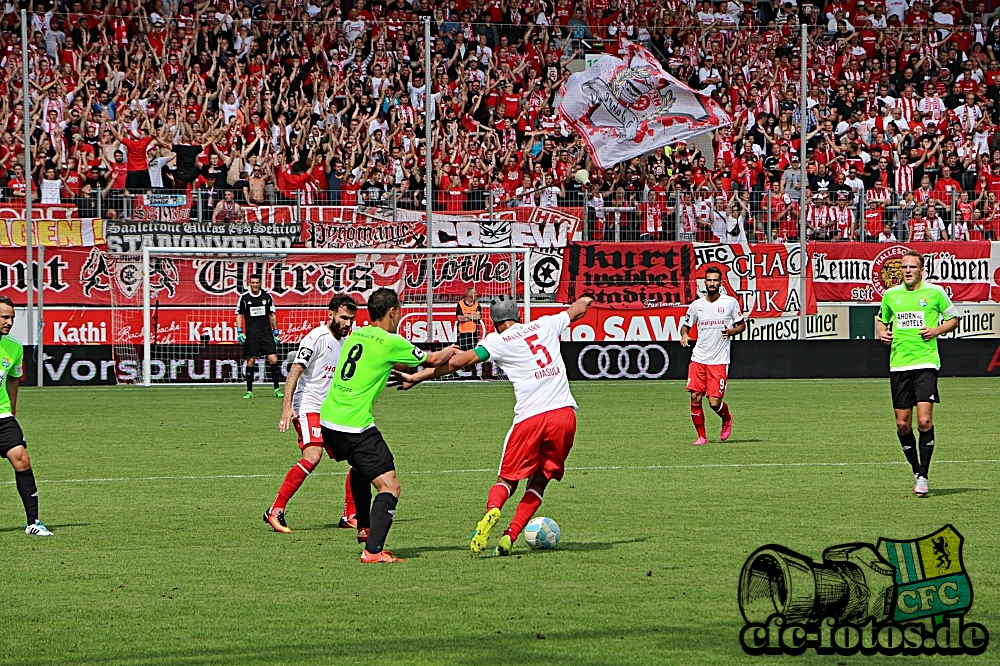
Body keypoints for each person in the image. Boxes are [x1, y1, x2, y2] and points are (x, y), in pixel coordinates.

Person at [397, 292, 596, 557]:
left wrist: (420, 375)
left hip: (531, 418)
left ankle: (493, 509)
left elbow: (458, 362)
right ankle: (510, 536)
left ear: (493, 322)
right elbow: (577, 310)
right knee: (539, 480)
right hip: (564, 415)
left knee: (507, 480)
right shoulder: (546, 323)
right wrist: (585, 299)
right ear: (518, 315)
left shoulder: (497, 341)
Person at [319, 288, 458, 563]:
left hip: (329, 421)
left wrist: (408, 376)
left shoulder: (356, 334)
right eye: (400, 311)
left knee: (360, 468)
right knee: (390, 486)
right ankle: (373, 551)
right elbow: (433, 360)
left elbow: (371, 366)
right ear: (393, 311)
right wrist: (450, 350)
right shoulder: (390, 341)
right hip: (353, 425)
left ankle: (364, 527)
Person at [265, 295, 361, 534]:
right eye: (343, 318)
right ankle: (275, 510)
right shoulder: (316, 338)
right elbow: (294, 373)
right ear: (331, 314)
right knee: (313, 455)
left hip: (331, 410)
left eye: (351, 319)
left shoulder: (348, 342)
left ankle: (350, 515)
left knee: (360, 457)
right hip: (308, 406)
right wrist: (287, 407)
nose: (348, 323)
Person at [875, 250, 959, 497]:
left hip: (926, 363)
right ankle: (915, 468)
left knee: (924, 421)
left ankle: (923, 474)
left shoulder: (935, 293)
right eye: (904, 267)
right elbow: (881, 319)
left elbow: (954, 319)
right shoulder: (891, 295)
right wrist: (881, 332)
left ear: (922, 270)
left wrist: (936, 330)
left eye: (912, 267)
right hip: (899, 365)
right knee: (903, 424)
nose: (908, 270)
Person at [0, 297, 52, 536]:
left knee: (22, 459)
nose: (9, 322)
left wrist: (12, 408)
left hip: (2, 416)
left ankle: (33, 522)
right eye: (4, 317)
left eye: (12, 317)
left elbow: (13, 379)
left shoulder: (14, 346)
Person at [680, 266, 746, 446]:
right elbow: (685, 325)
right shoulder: (697, 305)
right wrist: (685, 335)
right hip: (698, 358)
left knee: (714, 403)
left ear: (721, 283)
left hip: (719, 360)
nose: (712, 283)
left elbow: (742, 325)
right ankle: (702, 437)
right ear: (704, 282)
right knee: (695, 397)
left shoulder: (730, 303)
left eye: (715, 280)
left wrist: (731, 331)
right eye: (709, 280)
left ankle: (726, 418)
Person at [235, 274, 282, 399]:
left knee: (273, 359)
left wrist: (276, 331)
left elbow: (272, 314)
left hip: (266, 333)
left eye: (257, 282)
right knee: (250, 361)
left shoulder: (267, 297)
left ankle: (276, 389)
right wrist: (239, 331)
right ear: (249, 283)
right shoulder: (244, 298)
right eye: (253, 282)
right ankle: (249, 391)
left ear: (260, 283)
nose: (255, 285)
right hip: (252, 334)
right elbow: (239, 314)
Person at [456, 287, 482, 378]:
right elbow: (459, 318)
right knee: (461, 352)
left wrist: (466, 316)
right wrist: (472, 316)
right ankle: (459, 372)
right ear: (469, 294)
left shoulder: (477, 305)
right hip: (462, 332)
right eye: (474, 293)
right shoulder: (460, 304)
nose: (476, 294)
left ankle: (474, 374)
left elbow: (478, 317)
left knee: (472, 353)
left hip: (473, 332)